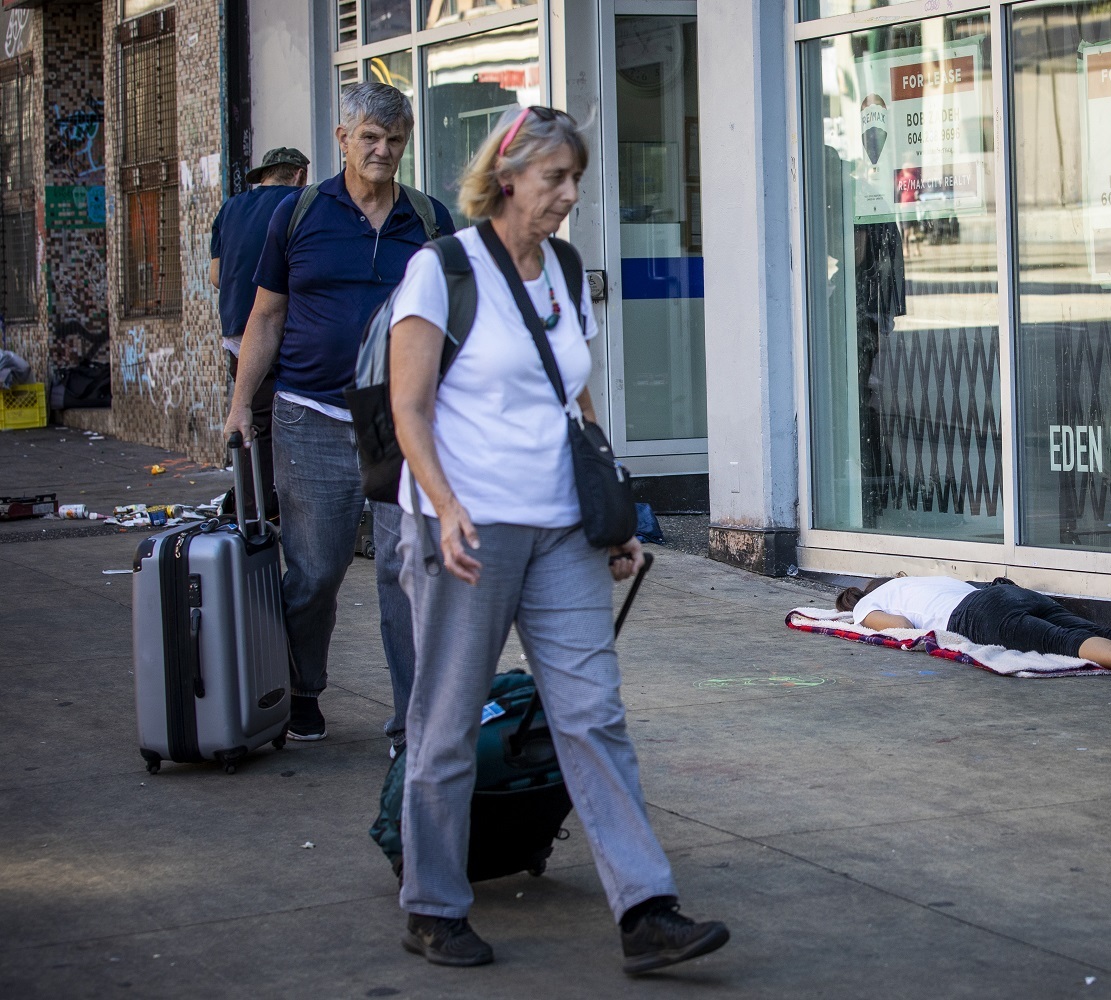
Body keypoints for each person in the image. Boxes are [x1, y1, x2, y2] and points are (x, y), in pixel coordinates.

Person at [387, 105, 729, 972]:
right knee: (447, 722)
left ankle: (646, 909)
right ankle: (433, 905)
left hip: (561, 530)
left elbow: (577, 403)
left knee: (591, 715)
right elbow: (409, 408)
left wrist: (611, 514)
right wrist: (445, 505)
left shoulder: (567, 269)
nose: (570, 196)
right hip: (467, 530)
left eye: (575, 179)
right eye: (555, 180)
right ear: (507, 180)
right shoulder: (443, 270)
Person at [223, 82, 456, 749]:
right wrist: (243, 406)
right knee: (316, 570)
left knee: (403, 572)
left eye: (395, 141)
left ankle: (414, 721)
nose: (384, 151)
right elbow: (265, 317)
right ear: (343, 139)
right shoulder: (298, 215)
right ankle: (303, 689)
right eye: (371, 139)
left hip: (399, 420)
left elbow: (461, 322)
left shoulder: (431, 221)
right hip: (311, 416)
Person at [836, 575, 1111, 682]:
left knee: (1067, 643)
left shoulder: (870, 602)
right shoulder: (920, 580)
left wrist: (867, 617)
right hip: (1010, 594)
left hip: (975, 614)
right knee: (1108, 629)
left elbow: (901, 627)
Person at [210, 146, 310, 514]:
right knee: (288, 423)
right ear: (299, 173)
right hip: (282, 328)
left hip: (237, 331)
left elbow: (216, 277)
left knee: (252, 417)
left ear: (264, 176)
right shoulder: (302, 202)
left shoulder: (230, 208)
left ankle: (252, 504)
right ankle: (262, 509)